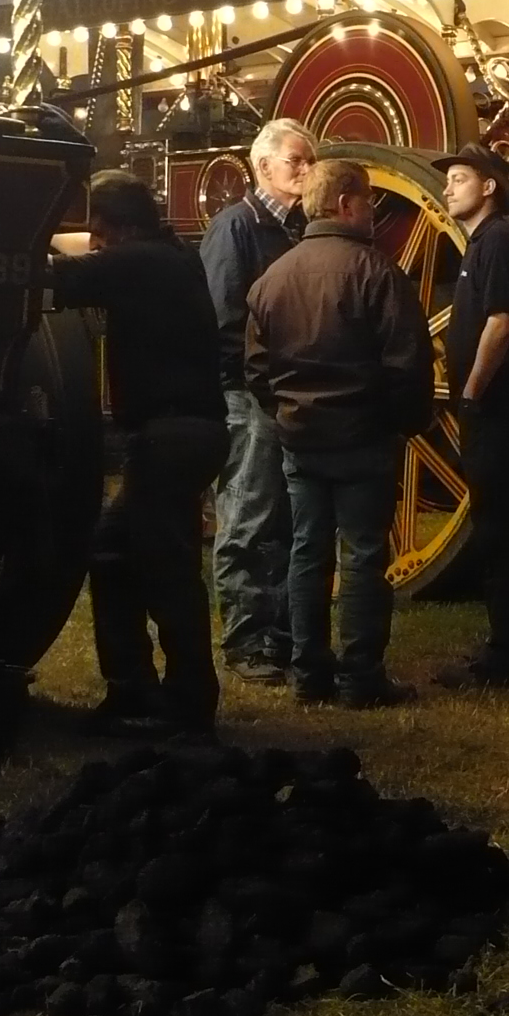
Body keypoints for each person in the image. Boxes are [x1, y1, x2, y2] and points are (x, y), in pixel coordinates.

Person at [246, 159, 433, 708]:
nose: (372, 210)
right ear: (347, 202)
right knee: (362, 555)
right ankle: (359, 677)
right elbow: (407, 361)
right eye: (369, 200)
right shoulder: (376, 272)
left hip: (301, 438)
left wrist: (286, 414)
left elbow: (256, 370)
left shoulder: (272, 278)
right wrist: (403, 422)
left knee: (307, 552)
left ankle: (308, 673)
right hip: (362, 436)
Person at [49, 171, 228, 737]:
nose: (95, 243)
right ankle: (131, 687)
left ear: (114, 226)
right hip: (187, 431)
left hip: (169, 434)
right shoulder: (171, 255)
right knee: (112, 550)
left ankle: (187, 703)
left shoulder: (141, 261)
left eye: (97, 233)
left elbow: (63, 279)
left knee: (168, 567)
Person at [198, 118, 314, 685]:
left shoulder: (293, 229)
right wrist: (259, 381)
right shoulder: (235, 227)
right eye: (297, 160)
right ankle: (246, 642)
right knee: (247, 514)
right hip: (248, 393)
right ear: (263, 166)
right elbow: (224, 319)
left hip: (279, 389)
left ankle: (278, 636)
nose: (307, 170)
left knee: (284, 518)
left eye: (310, 160)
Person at [432, 144, 509, 688]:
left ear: (490, 186)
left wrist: (472, 392)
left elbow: (501, 323)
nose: (448, 189)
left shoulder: (497, 241)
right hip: (496, 407)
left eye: (457, 178)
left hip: (496, 410)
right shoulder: (486, 242)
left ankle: (508, 652)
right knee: (504, 527)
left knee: (499, 527)